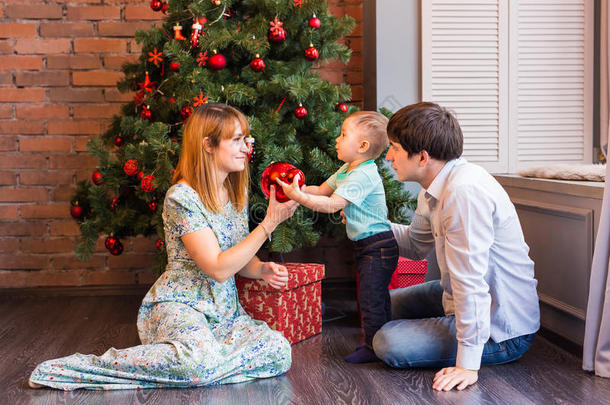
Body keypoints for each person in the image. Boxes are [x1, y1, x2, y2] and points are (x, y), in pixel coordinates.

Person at [28, 103, 299, 390]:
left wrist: (260, 268)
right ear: (208, 144)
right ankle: (76, 370)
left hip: (225, 313)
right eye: (237, 140)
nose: (247, 147)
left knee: (278, 351)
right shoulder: (181, 198)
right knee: (196, 363)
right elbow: (218, 268)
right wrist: (268, 224)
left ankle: (204, 366)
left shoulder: (236, 190)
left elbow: (237, 255)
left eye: (247, 139)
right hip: (180, 305)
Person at [367, 102, 540, 391]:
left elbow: (471, 283)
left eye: (395, 147)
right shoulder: (433, 185)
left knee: (387, 342)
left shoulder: (463, 192)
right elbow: (414, 245)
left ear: (422, 157)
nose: (388, 156)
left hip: (500, 329)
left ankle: (468, 347)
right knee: (381, 303)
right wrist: (366, 221)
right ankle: (443, 328)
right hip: (457, 296)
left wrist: (467, 365)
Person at [278, 111, 398, 363]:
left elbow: (332, 204)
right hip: (367, 245)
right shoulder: (347, 169)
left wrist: (299, 198)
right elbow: (321, 191)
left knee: (371, 298)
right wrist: (295, 189)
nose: (337, 139)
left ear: (363, 146)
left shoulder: (363, 174)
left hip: (378, 246)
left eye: (343, 135)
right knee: (374, 295)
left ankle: (375, 347)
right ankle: (386, 341)